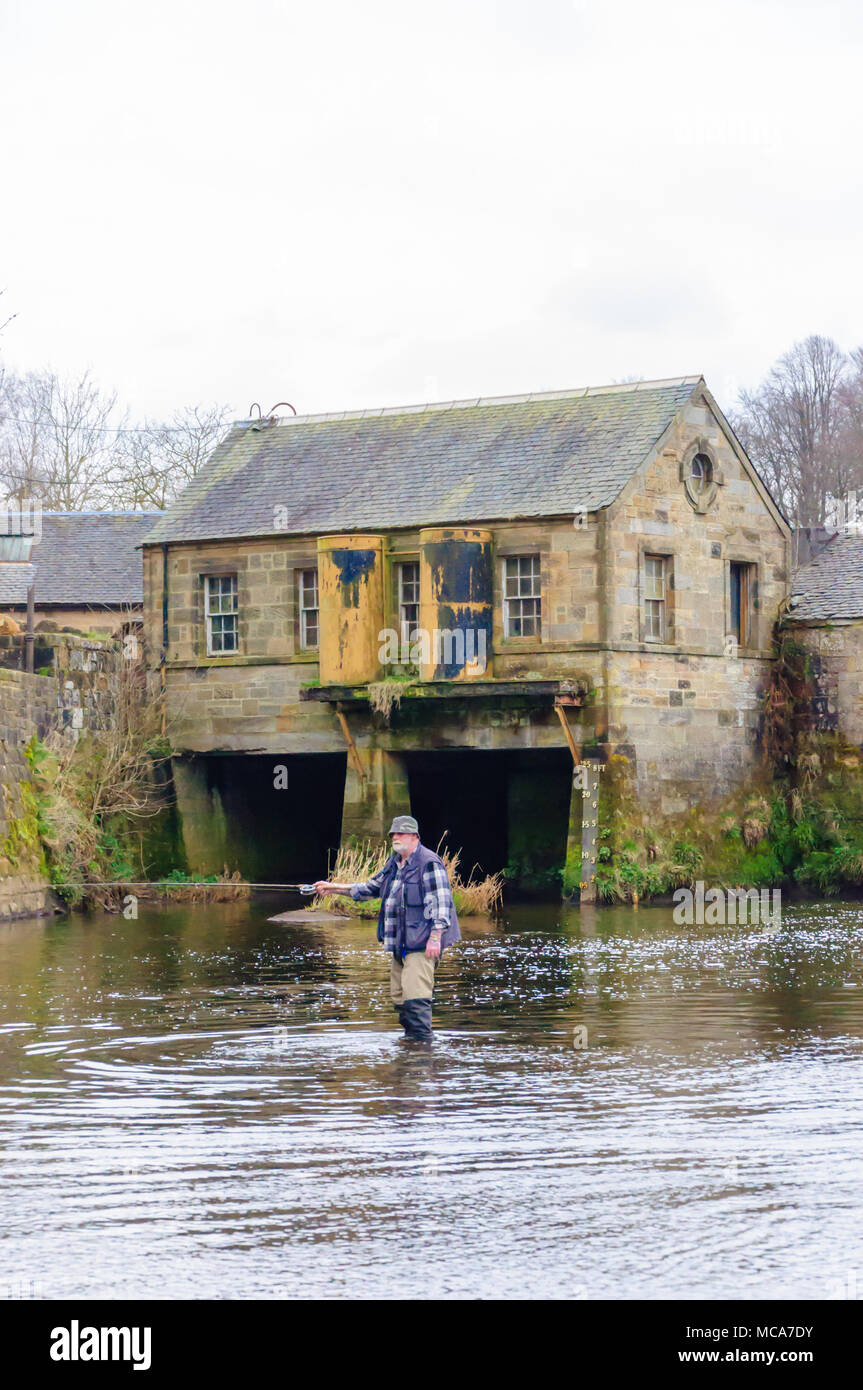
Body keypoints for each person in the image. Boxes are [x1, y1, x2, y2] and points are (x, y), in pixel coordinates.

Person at [314, 815, 460, 1040]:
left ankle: (422, 1057)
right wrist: (333, 888)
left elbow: (441, 904)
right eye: (393, 833)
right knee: (400, 1000)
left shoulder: (428, 863)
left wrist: (435, 937)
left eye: (400, 833)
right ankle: (411, 1050)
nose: (395, 837)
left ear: (414, 836)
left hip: (421, 943)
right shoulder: (394, 863)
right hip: (400, 944)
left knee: (416, 999)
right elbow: (371, 887)